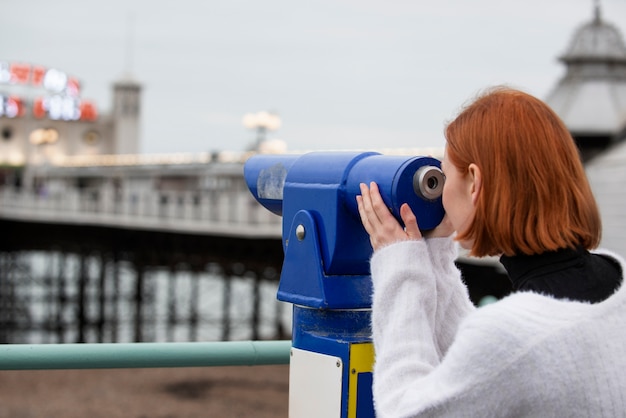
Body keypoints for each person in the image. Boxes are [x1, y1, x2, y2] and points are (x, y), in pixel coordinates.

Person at [356, 86, 626, 417]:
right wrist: (434, 254)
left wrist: (398, 265)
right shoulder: (614, 283)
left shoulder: (511, 337)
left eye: (446, 173)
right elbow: (483, 369)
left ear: (474, 182)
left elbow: (407, 410)